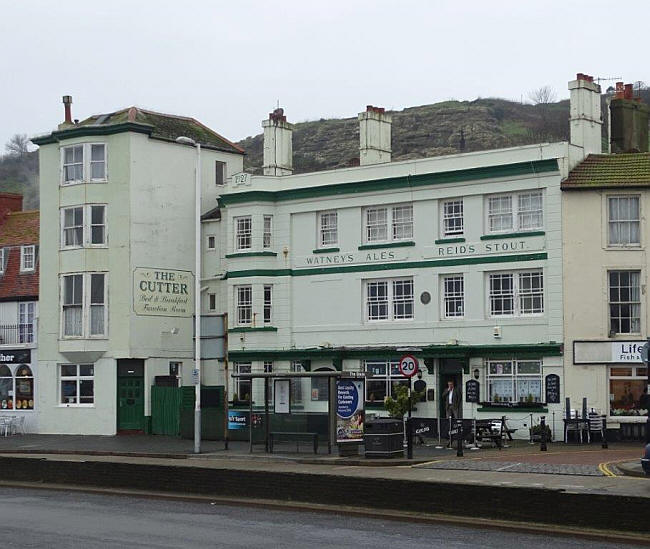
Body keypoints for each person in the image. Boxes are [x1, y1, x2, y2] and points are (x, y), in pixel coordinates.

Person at [441, 380, 462, 447]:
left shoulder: (456, 390)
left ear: (453, 385)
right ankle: (449, 428)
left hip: (454, 405)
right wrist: (448, 390)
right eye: (449, 384)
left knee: (456, 416)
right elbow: (443, 396)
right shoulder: (446, 390)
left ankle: (457, 428)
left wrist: (457, 405)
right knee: (448, 417)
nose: (450, 386)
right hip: (448, 405)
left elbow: (459, 397)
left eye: (451, 384)